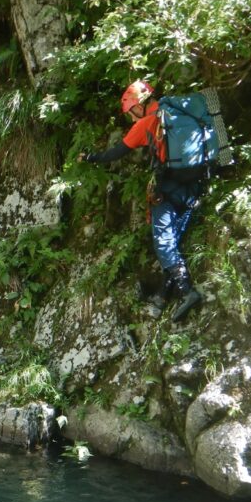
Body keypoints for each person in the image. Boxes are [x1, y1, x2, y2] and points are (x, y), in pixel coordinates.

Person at [82, 80, 204, 321]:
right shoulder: (181, 110)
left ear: (138, 106)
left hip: (168, 189)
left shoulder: (146, 124)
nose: (131, 118)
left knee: (163, 242)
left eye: (131, 113)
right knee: (175, 237)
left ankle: (187, 291)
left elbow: (115, 153)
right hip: (197, 183)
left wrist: (90, 157)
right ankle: (162, 295)